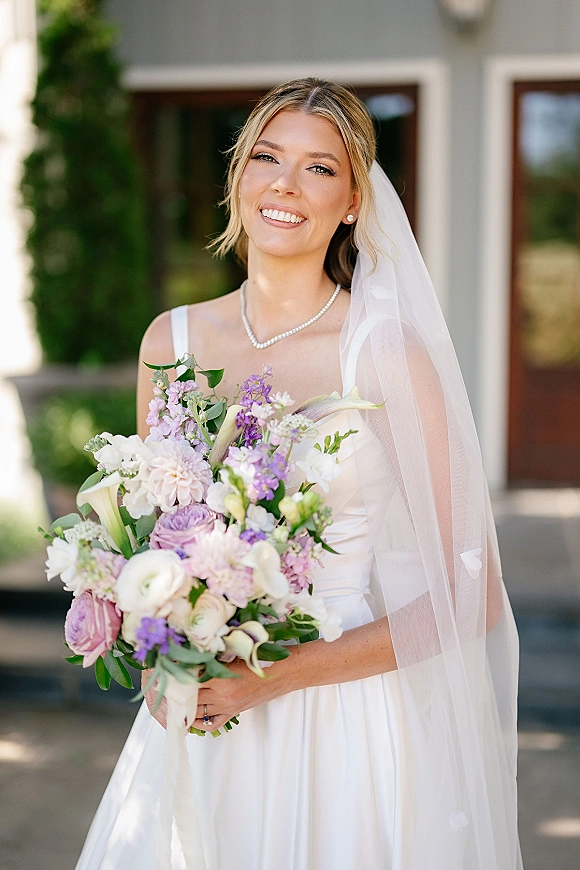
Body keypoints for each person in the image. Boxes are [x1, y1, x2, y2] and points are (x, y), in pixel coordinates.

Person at [75, 78, 523, 869]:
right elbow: (149, 527)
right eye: (267, 158)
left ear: (353, 201)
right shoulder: (169, 339)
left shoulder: (386, 351)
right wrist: (158, 646)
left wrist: (277, 676)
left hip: (342, 722)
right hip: (200, 710)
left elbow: (469, 596)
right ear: (238, 175)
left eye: (319, 169)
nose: (285, 185)